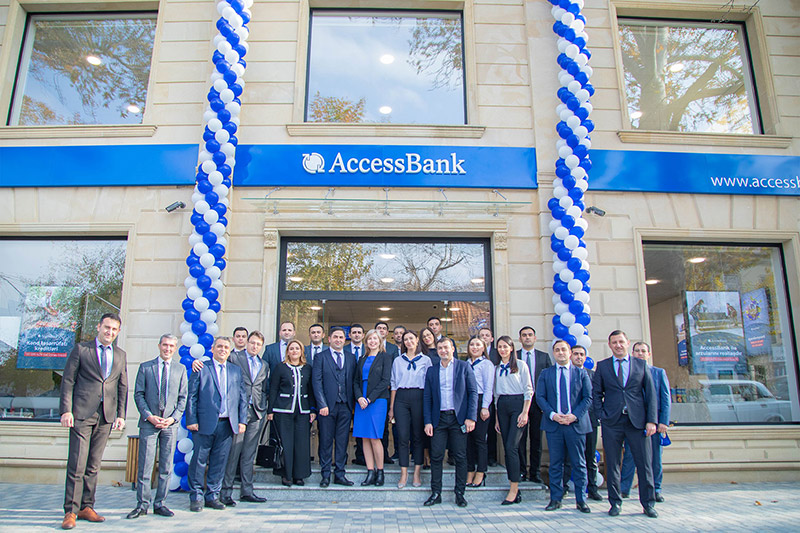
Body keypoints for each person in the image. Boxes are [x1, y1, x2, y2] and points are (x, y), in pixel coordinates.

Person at [60, 313, 128, 530]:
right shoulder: (82, 350)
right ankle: (71, 511)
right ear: (99, 327)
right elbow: (68, 381)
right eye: (107, 327)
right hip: (81, 413)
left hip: (105, 416)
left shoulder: (120, 354)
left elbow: (122, 386)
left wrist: (120, 415)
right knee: (77, 464)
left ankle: (86, 507)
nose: (110, 332)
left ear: (118, 332)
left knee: (93, 465)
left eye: (114, 329)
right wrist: (66, 411)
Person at [592, 330, 658, 518]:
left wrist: (651, 421)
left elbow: (651, 394)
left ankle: (648, 504)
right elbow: (596, 393)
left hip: (637, 422)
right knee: (612, 464)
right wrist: (601, 415)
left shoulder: (640, 364)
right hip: (612, 422)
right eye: (614, 342)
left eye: (621, 341)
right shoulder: (603, 366)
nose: (618, 345)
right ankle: (615, 502)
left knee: (644, 464)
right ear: (609, 345)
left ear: (628, 343)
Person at [128, 334, 188, 519]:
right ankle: (142, 504)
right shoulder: (146, 367)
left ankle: (160, 503)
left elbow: (183, 398)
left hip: (169, 425)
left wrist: (173, 419)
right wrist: (149, 416)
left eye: (171, 346)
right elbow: (139, 394)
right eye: (165, 345)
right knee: (145, 466)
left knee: (166, 466)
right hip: (149, 424)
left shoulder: (180, 369)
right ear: (159, 345)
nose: (167, 349)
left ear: (175, 348)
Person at [185, 337, 248, 512]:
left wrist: (242, 420)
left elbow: (242, 397)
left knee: (219, 462)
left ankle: (212, 495)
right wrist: (191, 420)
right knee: (199, 461)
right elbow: (192, 396)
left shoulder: (235, 370)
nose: (223, 350)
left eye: (226, 347)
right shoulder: (202, 368)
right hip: (204, 423)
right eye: (219, 346)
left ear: (229, 351)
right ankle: (196, 496)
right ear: (212, 349)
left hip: (227, 424)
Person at [537, 340, 593, 514]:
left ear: (570, 352)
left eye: (563, 349)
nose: (560, 352)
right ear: (553, 353)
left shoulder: (581, 373)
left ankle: (581, 500)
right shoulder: (546, 373)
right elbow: (540, 397)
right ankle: (555, 498)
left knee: (579, 463)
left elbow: (588, 398)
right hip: (554, 425)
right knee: (555, 464)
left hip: (575, 425)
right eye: (557, 350)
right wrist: (553, 415)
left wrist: (574, 415)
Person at [422, 337, 478, 508]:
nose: (443, 351)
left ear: (453, 349)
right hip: (438, 419)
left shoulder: (464, 367)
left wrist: (471, 417)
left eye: (446, 347)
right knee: (436, 456)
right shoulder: (432, 370)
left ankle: (460, 493)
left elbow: (473, 392)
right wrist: (427, 421)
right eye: (440, 348)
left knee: (460, 456)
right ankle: (436, 493)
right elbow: (427, 397)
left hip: (458, 419)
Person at [221, 331, 269, 505]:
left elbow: (263, 388)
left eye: (258, 344)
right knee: (234, 452)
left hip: (256, 412)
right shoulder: (234, 358)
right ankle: (225, 492)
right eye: (252, 343)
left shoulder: (264, 364)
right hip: (238, 412)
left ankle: (247, 491)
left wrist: (263, 407)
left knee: (249, 454)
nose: (255, 346)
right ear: (247, 343)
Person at [620, 341, 671, 503]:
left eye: (643, 351)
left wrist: (663, 422)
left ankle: (656, 489)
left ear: (648, 354)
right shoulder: (628, 372)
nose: (640, 353)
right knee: (630, 456)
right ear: (632, 354)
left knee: (655, 458)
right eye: (637, 351)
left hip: (654, 423)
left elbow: (665, 399)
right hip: (634, 423)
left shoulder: (658, 373)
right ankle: (624, 489)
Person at [267, 339, 316, 486]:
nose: (294, 351)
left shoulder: (308, 368)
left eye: (297, 348)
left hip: (303, 411)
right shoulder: (280, 367)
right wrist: (270, 410)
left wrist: (313, 409)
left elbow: (311, 390)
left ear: (302, 352)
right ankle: (286, 474)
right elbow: (273, 388)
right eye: (292, 348)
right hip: (283, 410)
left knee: (301, 443)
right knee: (285, 442)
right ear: (287, 351)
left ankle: (299, 475)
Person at [312, 327, 356, 487]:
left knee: (342, 441)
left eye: (341, 337)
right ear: (329, 339)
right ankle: (325, 475)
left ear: (345, 340)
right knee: (325, 440)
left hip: (345, 406)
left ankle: (340, 474)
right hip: (327, 407)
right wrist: (321, 404)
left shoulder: (351, 358)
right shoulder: (320, 357)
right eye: (335, 337)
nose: (338, 340)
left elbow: (353, 381)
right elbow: (316, 382)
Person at [389, 330, 432, 488]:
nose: (408, 341)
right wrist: (392, 407)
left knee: (418, 436)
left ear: (417, 340)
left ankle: (417, 473)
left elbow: (429, 384)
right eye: (405, 339)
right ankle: (404, 473)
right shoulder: (398, 361)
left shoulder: (426, 360)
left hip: (419, 397)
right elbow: (394, 384)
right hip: (401, 398)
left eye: (411, 338)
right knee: (402, 436)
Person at [493, 335, 532, 505]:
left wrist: (525, 412)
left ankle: (514, 488)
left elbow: (528, 389)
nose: (502, 350)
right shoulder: (497, 368)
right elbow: (495, 395)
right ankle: (513, 484)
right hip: (502, 405)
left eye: (505, 346)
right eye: (500, 347)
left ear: (511, 348)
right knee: (506, 447)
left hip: (517, 404)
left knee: (511, 447)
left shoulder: (521, 365)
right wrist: (496, 418)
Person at [353, 329, 392, 486]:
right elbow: (356, 381)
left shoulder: (385, 357)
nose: (372, 341)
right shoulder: (362, 358)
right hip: (361, 402)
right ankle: (370, 472)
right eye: (370, 339)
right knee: (364, 437)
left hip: (377, 401)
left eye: (375, 339)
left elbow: (385, 381)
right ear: (366, 341)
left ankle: (380, 471)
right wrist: (359, 397)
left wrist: (369, 399)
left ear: (380, 341)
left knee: (375, 437)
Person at [566, 345, 603, 501]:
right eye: (576, 354)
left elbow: (597, 397)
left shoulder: (593, 375)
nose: (579, 357)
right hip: (570, 421)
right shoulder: (566, 374)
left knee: (590, 456)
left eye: (581, 354)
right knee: (568, 457)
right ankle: (564, 486)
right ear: (570, 356)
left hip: (590, 420)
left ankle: (592, 488)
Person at [517, 326, 552, 483]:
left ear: (535, 338)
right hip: (520, 403)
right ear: (520, 339)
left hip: (538, 403)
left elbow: (550, 381)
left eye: (530, 335)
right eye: (524, 335)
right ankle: (521, 471)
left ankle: (535, 472)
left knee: (536, 439)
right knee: (520, 439)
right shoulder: (514, 356)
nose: (527, 337)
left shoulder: (544, 357)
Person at [465, 336, 493, 488]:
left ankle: (481, 472)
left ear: (483, 348)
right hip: (467, 401)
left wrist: (485, 406)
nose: (474, 347)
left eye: (478, 345)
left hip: (481, 401)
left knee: (480, 439)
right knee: (467, 439)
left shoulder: (486, 364)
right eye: (472, 345)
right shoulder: (466, 364)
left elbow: (489, 387)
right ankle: (470, 470)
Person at [375, 321, 399, 463]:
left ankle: (384, 454)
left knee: (384, 426)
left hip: (387, 391)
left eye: (384, 328)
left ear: (387, 332)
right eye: (379, 328)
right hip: (371, 393)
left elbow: (394, 369)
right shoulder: (370, 346)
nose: (381, 330)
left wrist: (388, 384)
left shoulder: (392, 348)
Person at [345, 324, 367, 466]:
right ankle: (342, 456)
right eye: (354, 332)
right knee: (344, 426)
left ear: (363, 335)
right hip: (346, 392)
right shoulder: (344, 349)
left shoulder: (369, 349)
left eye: (359, 332)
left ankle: (361, 456)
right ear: (350, 335)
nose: (357, 334)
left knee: (362, 425)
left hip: (363, 393)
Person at [478, 327, 500, 466]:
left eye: (487, 335)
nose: (484, 337)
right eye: (482, 335)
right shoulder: (473, 355)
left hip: (495, 394)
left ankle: (491, 457)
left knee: (492, 429)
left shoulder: (497, 353)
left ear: (491, 338)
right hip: (479, 397)